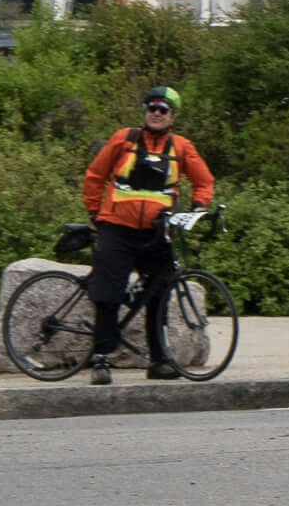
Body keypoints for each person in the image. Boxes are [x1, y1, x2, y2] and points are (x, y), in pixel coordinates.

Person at [77, 85, 219, 382]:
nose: (156, 113)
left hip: (157, 231)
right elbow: (95, 174)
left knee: (160, 292)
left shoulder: (181, 147)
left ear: (172, 116)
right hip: (116, 227)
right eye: (151, 107)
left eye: (162, 109)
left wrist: (197, 206)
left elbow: (204, 181)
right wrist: (94, 212)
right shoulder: (124, 139)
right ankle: (101, 360)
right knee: (108, 293)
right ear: (145, 111)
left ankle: (158, 361)